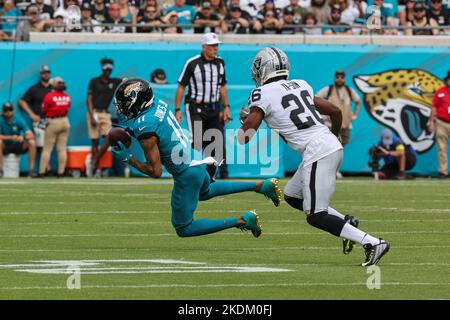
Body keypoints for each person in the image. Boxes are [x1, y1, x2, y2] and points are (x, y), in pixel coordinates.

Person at [238, 47, 390, 266]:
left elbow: (248, 131)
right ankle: (347, 222)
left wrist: (244, 129)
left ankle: (372, 242)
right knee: (292, 195)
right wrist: (336, 136)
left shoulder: (261, 94)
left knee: (316, 215)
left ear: (264, 69)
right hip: (326, 145)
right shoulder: (300, 84)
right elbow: (335, 111)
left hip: (318, 150)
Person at [111, 78, 283, 238]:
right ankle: (261, 185)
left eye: (125, 104)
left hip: (186, 172)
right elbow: (151, 126)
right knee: (205, 192)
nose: (123, 109)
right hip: (196, 158)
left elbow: (155, 171)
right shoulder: (157, 104)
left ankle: (243, 221)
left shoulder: (145, 126)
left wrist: (129, 159)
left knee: (184, 227)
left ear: (137, 102)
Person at [174, 32, 231, 178]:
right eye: (212, 46)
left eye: (216, 45)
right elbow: (181, 86)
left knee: (216, 139)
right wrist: (177, 109)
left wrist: (226, 107)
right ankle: (194, 172)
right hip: (195, 106)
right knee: (197, 140)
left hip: (214, 106)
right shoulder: (192, 63)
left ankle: (217, 173)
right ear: (204, 47)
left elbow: (222, 86)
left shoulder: (220, 63)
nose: (215, 48)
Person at [87, 58, 123, 177]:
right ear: (102, 68)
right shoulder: (94, 81)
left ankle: (94, 161)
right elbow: (89, 99)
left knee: (109, 138)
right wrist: (92, 115)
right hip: (94, 112)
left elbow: (127, 81)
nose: (108, 70)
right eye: (106, 68)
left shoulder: (115, 81)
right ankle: (95, 169)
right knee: (95, 141)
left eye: (109, 68)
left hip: (105, 113)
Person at [316, 70, 361, 150]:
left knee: (341, 146)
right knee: (329, 147)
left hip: (345, 125)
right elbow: (316, 98)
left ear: (345, 79)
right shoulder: (328, 89)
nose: (339, 79)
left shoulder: (349, 90)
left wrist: (355, 115)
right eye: (337, 77)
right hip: (330, 125)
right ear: (334, 78)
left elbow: (358, 101)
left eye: (342, 77)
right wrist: (321, 115)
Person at [38, 77, 71, 177]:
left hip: (53, 122)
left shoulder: (49, 96)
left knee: (47, 149)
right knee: (61, 149)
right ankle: (61, 172)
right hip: (65, 121)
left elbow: (43, 110)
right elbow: (68, 107)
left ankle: (41, 172)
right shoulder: (67, 96)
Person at [0, 103, 37, 178]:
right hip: (5, 145)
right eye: (6, 110)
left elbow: (30, 134)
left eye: (10, 110)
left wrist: (23, 137)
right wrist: (10, 137)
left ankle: (31, 170)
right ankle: (0, 170)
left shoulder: (18, 119)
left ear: (13, 111)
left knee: (31, 142)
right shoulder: (1, 120)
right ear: (3, 111)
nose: (8, 112)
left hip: (17, 145)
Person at [428, 71, 450, 178]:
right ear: (447, 80)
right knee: (442, 148)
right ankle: (443, 172)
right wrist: (431, 122)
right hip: (441, 123)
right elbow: (433, 107)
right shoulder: (440, 92)